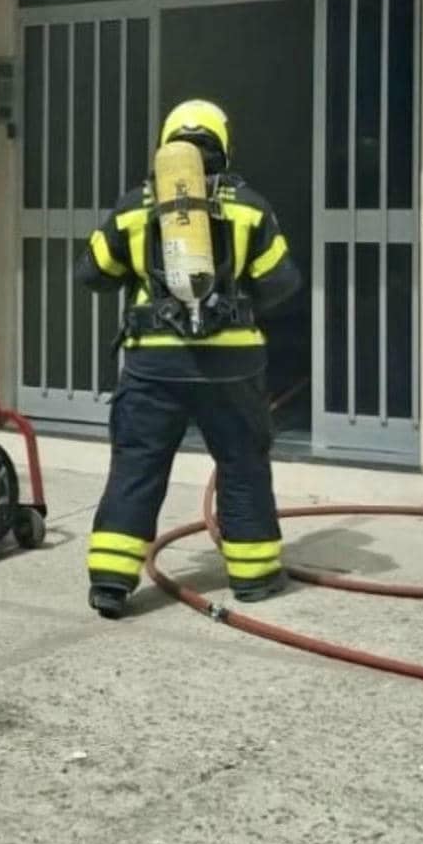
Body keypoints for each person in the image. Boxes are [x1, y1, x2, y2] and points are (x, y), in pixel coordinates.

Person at [74, 98, 303, 618]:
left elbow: (90, 274)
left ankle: (111, 580)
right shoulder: (249, 206)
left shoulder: (136, 206)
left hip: (153, 366)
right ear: (223, 144)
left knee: (137, 465)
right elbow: (283, 283)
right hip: (232, 368)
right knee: (242, 465)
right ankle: (254, 576)